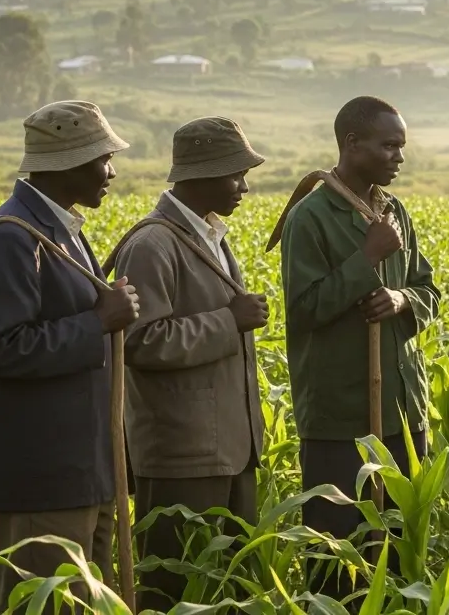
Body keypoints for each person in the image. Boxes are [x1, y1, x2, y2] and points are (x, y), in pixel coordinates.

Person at [0, 100, 140, 613]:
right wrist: (98, 322)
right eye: (103, 159)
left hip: (83, 469)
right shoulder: (12, 238)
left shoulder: (61, 229)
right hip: (42, 476)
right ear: (67, 163)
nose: (111, 171)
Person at [279, 95, 441, 598]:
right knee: (336, 559)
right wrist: (366, 258)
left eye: (402, 147)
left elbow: (429, 291)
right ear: (352, 143)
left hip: (401, 410)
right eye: (388, 145)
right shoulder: (311, 217)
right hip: (341, 416)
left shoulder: (394, 211)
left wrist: (400, 299)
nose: (398, 156)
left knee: (397, 555)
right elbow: (304, 309)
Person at [108, 117, 269, 611]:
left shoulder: (209, 235)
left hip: (229, 449)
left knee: (227, 589)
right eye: (236, 173)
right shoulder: (153, 244)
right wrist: (229, 321)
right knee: (173, 592)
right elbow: (139, 342)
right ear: (203, 175)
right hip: (182, 452)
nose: (244, 185)